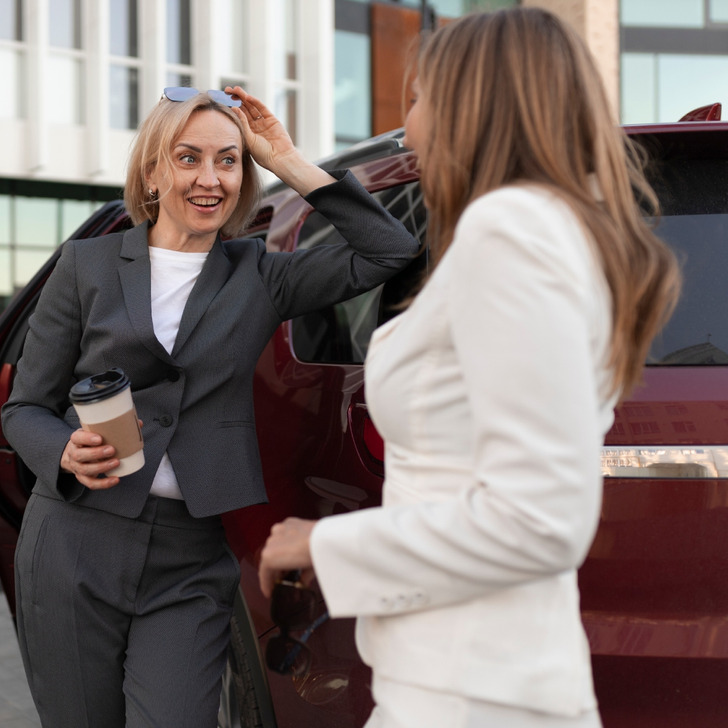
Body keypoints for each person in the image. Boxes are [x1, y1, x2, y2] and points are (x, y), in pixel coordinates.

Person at [257, 8, 681, 728]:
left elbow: (541, 519)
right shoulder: (564, 231)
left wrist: (323, 544)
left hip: (469, 693)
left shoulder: (511, 231)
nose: (408, 129)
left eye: (420, 100)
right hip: (475, 680)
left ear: (473, 107)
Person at [1, 85, 419, 728]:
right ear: (152, 172)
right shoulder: (86, 265)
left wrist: (286, 161)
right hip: (74, 541)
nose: (210, 178)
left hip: (189, 558)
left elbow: (389, 250)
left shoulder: (260, 272)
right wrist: (63, 450)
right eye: (188, 157)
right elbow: (24, 406)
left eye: (228, 161)